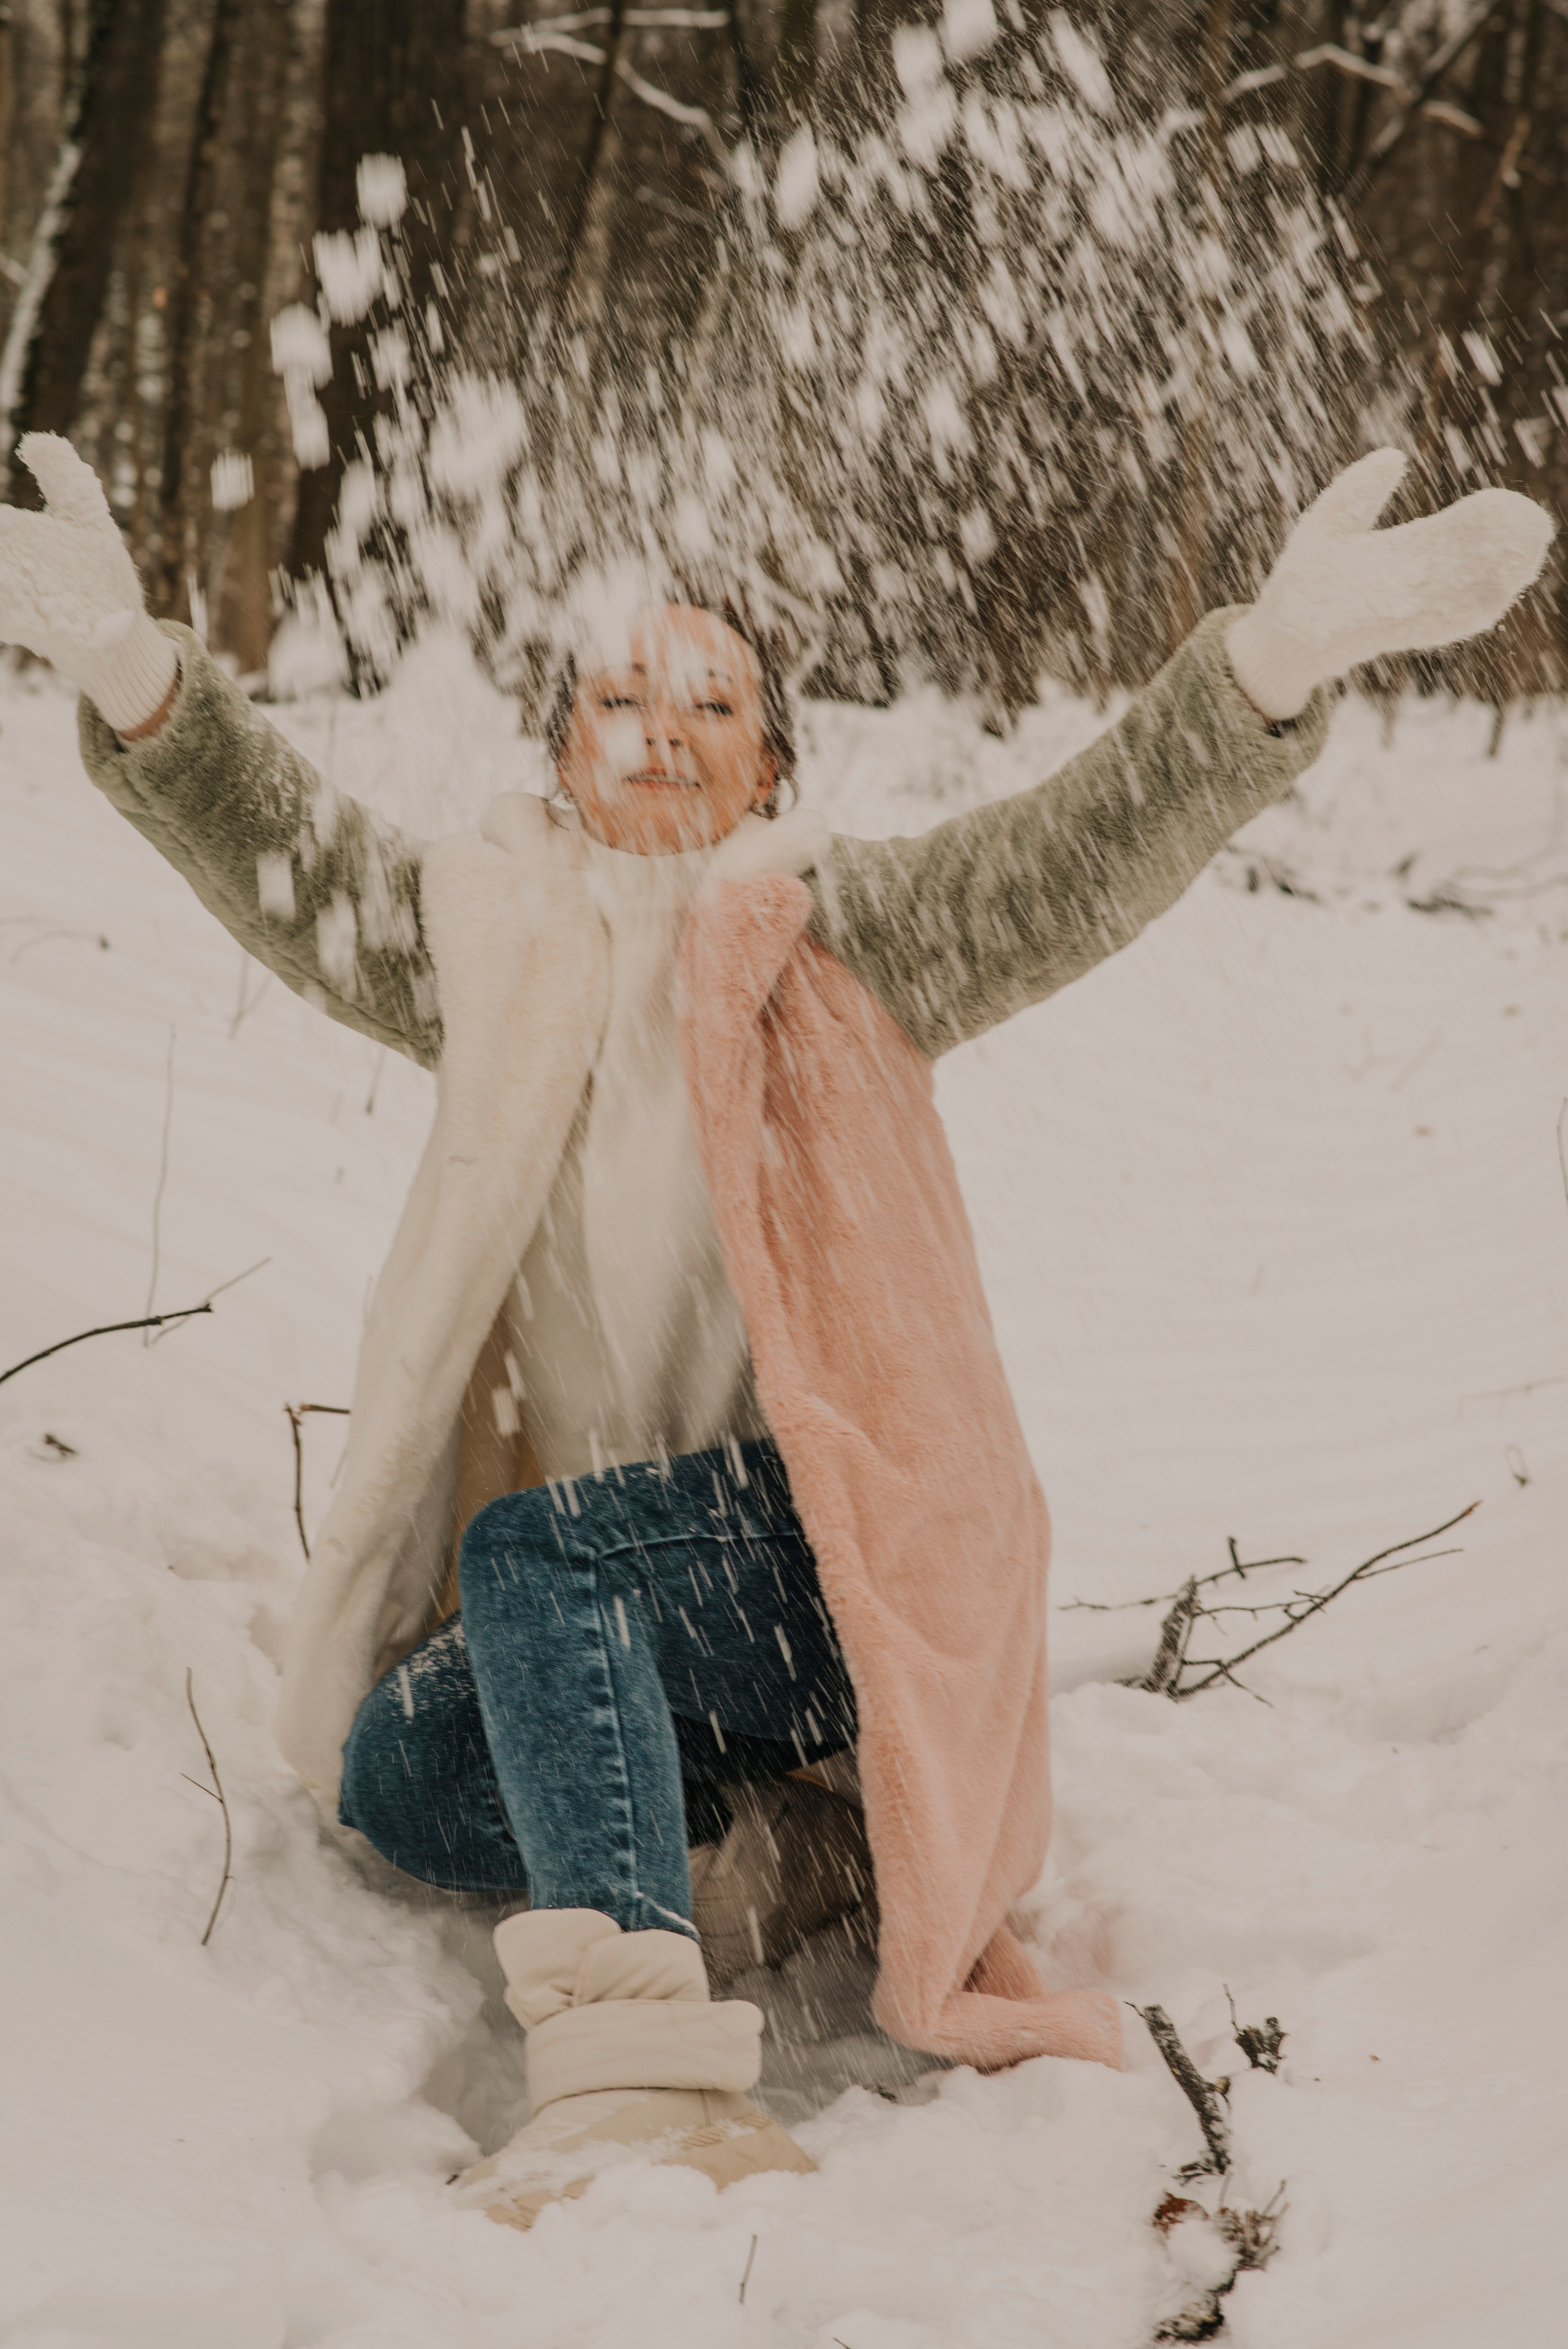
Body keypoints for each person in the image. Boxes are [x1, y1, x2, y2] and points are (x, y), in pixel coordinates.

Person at [0, 434, 1551, 2227]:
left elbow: (1081, 848)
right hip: (616, 1596)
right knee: (400, 1770)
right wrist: (129, 670)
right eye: (618, 693)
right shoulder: (488, 944)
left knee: (537, 1565)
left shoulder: (845, 934)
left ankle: (643, 2079)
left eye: (713, 699)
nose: (662, 723)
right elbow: (296, 864)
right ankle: (791, 1851)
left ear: (772, 758)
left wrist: (1270, 658)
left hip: (829, 1562)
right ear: (560, 745)